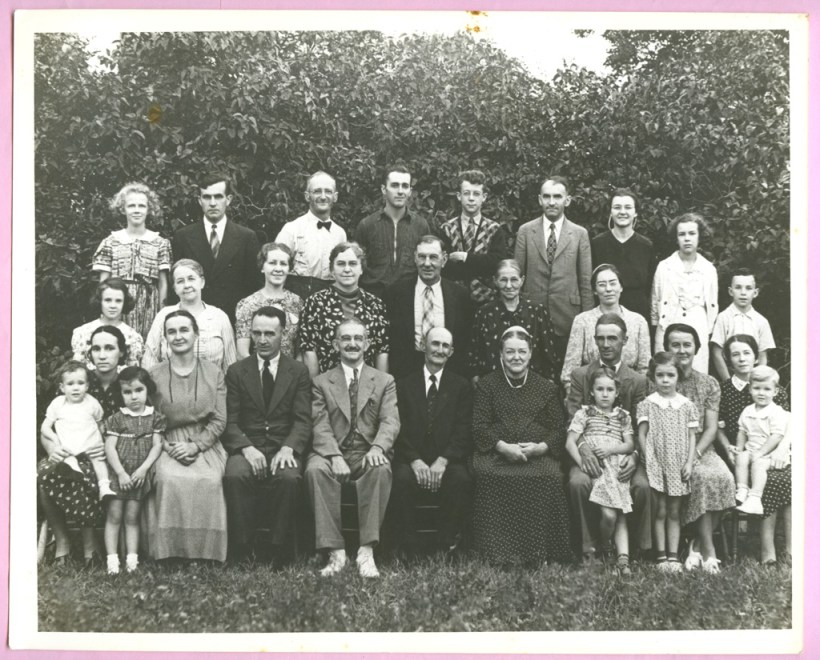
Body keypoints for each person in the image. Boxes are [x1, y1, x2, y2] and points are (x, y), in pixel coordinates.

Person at [305, 318, 400, 578]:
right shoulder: (322, 382)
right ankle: (335, 551)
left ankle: (366, 551)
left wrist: (378, 448)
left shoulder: (384, 380)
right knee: (315, 471)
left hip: (367, 451)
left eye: (358, 338)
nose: (352, 344)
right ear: (336, 344)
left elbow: (390, 420)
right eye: (346, 338)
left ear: (367, 344)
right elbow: (320, 424)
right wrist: (334, 455)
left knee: (380, 470)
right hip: (331, 450)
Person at [472, 326, 573, 565]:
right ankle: (496, 554)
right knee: (486, 475)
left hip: (536, 454)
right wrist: (502, 447)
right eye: (510, 352)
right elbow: (478, 425)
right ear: (500, 356)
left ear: (530, 354)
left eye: (521, 351)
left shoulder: (546, 387)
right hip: (498, 453)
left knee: (550, 477)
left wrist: (543, 448)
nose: (516, 357)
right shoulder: (487, 385)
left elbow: (559, 428)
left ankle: (542, 553)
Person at [222, 307, 312, 565]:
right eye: (257, 333)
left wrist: (289, 449)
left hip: (283, 445)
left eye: (269, 334)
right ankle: (243, 548)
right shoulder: (238, 371)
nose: (262, 340)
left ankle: (277, 548)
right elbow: (230, 420)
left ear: (283, 335)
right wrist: (245, 448)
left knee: (289, 477)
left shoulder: (298, 371)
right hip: (247, 445)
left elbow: (303, 419)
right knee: (235, 475)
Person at [38, 325, 128, 567]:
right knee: (46, 472)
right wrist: (53, 449)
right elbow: (48, 428)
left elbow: (139, 427)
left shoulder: (129, 384)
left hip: (113, 458)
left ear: (121, 352)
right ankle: (63, 540)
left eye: (109, 348)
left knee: (85, 476)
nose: (102, 354)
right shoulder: (76, 380)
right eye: (96, 348)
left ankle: (90, 545)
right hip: (71, 453)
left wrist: (111, 448)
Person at [566, 313, 652, 561]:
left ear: (625, 340)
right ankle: (588, 548)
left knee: (642, 485)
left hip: (623, 452)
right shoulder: (581, 376)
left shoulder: (636, 380)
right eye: (600, 338)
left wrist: (635, 455)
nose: (606, 344)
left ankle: (636, 548)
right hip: (588, 450)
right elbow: (571, 419)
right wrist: (582, 448)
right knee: (578, 482)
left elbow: (640, 424)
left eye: (612, 338)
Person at [145, 310, 228, 562]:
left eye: (184, 330)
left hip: (205, 441)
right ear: (165, 338)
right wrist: (170, 447)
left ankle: (205, 553)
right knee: (168, 478)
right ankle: (169, 552)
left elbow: (220, 418)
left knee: (210, 479)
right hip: (165, 441)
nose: (178, 336)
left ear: (196, 334)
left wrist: (196, 446)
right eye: (172, 331)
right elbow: (149, 419)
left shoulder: (214, 372)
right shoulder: (154, 374)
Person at [391, 327, 474, 556]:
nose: (439, 350)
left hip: (446, 457)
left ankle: (443, 544)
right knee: (400, 479)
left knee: (461, 479)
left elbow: (463, 429)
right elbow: (397, 427)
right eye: (435, 343)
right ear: (422, 346)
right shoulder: (403, 384)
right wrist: (415, 461)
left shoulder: (461, 386)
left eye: (445, 346)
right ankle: (409, 545)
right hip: (411, 457)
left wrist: (444, 460)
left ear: (452, 351)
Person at [664, 324, 735, 574]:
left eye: (687, 345)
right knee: (703, 478)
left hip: (703, 449)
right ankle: (709, 550)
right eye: (676, 345)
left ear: (696, 348)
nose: (682, 350)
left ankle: (694, 543)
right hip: (669, 452)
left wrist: (695, 454)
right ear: (667, 348)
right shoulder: (660, 380)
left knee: (723, 477)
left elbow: (711, 428)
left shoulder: (709, 383)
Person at [715, 335, 791, 565]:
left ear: (756, 357)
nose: (742, 358)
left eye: (747, 352)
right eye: (735, 354)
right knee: (758, 471)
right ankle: (766, 549)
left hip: (772, 450)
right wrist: (731, 452)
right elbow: (719, 425)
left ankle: (788, 548)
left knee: (784, 478)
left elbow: (789, 424)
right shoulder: (724, 389)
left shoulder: (775, 389)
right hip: (736, 452)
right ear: (728, 360)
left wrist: (781, 449)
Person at [515, 175, 594, 358]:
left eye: (557, 197)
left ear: (567, 200)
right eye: (547, 196)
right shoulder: (526, 231)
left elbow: (585, 281)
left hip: (568, 317)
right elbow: (517, 276)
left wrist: (588, 321)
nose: (551, 202)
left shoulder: (579, 234)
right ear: (540, 199)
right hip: (532, 315)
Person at [565, 367, 635, 575]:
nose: (605, 394)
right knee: (608, 514)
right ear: (592, 392)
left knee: (616, 515)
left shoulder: (623, 416)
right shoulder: (584, 413)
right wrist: (583, 464)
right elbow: (570, 442)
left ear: (617, 393)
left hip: (616, 468)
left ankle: (616, 554)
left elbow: (629, 445)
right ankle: (605, 550)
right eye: (600, 389)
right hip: (597, 469)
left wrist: (611, 448)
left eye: (609, 390)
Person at [171, 172, 261, 325]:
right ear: (200, 201)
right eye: (207, 197)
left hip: (233, 320)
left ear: (229, 199)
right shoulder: (183, 237)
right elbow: (176, 285)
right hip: (193, 320)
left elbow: (253, 287)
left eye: (218, 197)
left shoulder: (246, 237)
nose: (212, 203)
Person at [636, 353, 698, 572]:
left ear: (678, 377)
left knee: (674, 511)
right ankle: (661, 557)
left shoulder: (687, 405)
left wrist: (689, 462)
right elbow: (642, 434)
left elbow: (692, 436)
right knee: (660, 511)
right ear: (653, 377)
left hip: (678, 463)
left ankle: (674, 557)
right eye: (660, 375)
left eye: (670, 375)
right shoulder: (647, 404)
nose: (665, 380)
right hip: (657, 464)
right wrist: (649, 459)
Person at [102, 366, 165, 574]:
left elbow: (157, 445)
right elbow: (109, 447)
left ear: (148, 390)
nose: (133, 396)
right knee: (114, 516)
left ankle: (132, 561)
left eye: (138, 390)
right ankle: (112, 561)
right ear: (120, 394)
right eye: (127, 392)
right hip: (119, 474)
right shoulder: (117, 418)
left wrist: (143, 470)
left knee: (132, 518)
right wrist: (120, 473)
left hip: (139, 475)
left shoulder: (155, 417)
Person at [384, 235, 472, 378]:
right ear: (415, 258)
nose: (427, 263)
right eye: (422, 257)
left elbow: (465, 342)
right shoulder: (395, 294)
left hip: (448, 373)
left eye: (433, 257)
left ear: (443, 260)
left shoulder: (460, 295)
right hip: (406, 374)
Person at [92, 182, 172, 337]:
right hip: (117, 302)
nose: (136, 210)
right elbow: (104, 281)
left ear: (149, 209)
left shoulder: (160, 243)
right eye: (131, 206)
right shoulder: (111, 242)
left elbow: (163, 283)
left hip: (150, 304)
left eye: (141, 206)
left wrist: (161, 312)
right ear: (123, 209)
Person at [299, 242, 389, 378]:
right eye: (341, 264)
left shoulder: (376, 305)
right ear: (332, 269)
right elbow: (309, 350)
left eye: (353, 264)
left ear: (361, 269)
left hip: (367, 385)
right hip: (327, 385)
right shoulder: (315, 303)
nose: (347, 269)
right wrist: (316, 390)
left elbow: (381, 351)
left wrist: (379, 389)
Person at [560, 263, 651, 394]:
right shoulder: (582, 321)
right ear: (595, 290)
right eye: (602, 285)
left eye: (613, 283)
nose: (608, 289)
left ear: (621, 287)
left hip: (628, 392)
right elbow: (570, 371)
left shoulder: (638, 321)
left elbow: (644, 369)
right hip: (590, 392)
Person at [469, 259, 556, 383]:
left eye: (514, 279)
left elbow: (549, 354)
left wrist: (549, 382)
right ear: (495, 281)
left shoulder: (537, 311)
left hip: (532, 385)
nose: (509, 285)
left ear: (522, 280)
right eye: (503, 280)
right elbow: (475, 354)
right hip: (493, 385)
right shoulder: (484, 313)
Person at [142, 259, 237, 373]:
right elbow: (150, 360)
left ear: (202, 282)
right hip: (170, 387)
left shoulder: (219, 316)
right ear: (174, 288)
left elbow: (230, 364)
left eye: (191, 279)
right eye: (180, 281)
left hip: (211, 388)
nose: (187, 285)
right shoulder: (164, 315)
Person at [651, 213, 718, 373]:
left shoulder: (708, 269)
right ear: (676, 238)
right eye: (682, 234)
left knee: (696, 373)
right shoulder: (664, 266)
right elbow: (655, 301)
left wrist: (706, 331)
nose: (687, 238)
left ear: (699, 236)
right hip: (668, 325)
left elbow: (712, 305)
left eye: (692, 233)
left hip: (697, 327)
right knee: (666, 372)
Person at [354, 164, 434, 298]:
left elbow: (427, 264)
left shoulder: (421, 225)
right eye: (395, 185)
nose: (400, 191)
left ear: (410, 191)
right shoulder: (367, 225)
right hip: (373, 299)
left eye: (405, 186)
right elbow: (355, 266)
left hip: (409, 299)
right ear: (384, 189)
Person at [39, 361, 114, 498]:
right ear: (62, 387)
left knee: (98, 460)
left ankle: (104, 487)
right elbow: (45, 427)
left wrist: (104, 440)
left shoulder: (92, 402)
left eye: (80, 383)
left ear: (87, 386)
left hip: (91, 445)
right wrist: (55, 440)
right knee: (67, 459)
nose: (76, 388)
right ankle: (75, 471)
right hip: (68, 446)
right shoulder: (58, 404)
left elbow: (100, 423)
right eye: (70, 384)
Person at [275, 171, 347, 300]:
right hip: (296, 300)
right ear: (307, 196)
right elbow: (275, 268)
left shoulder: (340, 234)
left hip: (329, 301)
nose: (323, 196)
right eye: (317, 191)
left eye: (328, 191)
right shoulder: (292, 229)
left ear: (335, 197)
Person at [439, 169, 506, 305]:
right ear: (459, 196)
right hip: (453, 300)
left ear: (484, 197)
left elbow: (497, 264)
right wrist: (481, 265)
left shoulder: (494, 229)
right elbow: (444, 266)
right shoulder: (446, 228)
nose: (471, 198)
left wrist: (465, 258)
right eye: (466, 193)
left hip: (487, 301)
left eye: (476, 194)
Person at [590, 188, 656, 324]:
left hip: (639, 316)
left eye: (628, 207)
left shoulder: (646, 246)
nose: (622, 212)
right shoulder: (597, 244)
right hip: (604, 318)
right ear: (610, 212)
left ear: (635, 212)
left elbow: (651, 287)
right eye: (617, 207)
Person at [733, 366, 791, 516]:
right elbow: (742, 431)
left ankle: (755, 498)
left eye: (766, 389)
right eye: (757, 388)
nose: (761, 393)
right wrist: (739, 448)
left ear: (775, 391)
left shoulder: (776, 412)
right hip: (752, 450)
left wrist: (761, 453)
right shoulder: (748, 410)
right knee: (740, 457)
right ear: (750, 389)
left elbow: (777, 436)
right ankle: (742, 489)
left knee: (758, 464)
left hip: (771, 454)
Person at [235, 243, 304, 359]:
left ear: (289, 269)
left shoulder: (298, 303)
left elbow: (301, 351)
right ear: (262, 267)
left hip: (290, 373)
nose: (278, 268)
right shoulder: (247, 304)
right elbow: (242, 353)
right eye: (272, 263)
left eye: (283, 264)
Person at [709, 268, 776, 382]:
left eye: (748, 288)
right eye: (738, 287)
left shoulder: (761, 321)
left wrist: (757, 380)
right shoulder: (723, 317)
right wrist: (729, 382)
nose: (743, 293)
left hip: (753, 376)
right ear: (731, 291)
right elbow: (717, 353)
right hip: (729, 373)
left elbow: (762, 355)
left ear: (755, 293)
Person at [71, 278, 144, 367]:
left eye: (118, 301)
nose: (113, 306)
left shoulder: (132, 336)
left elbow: (133, 372)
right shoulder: (83, 332)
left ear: (124, 303)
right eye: (108, 300)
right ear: (100, 301)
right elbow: (77, 370)